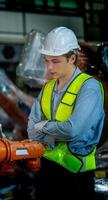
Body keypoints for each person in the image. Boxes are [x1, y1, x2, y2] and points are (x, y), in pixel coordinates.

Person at [27, 26, 105, 200]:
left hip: (76, 173)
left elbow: (73, 130)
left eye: (55, 61)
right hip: (46, 170)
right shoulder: (47, 88)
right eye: (46, 60)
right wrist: (50, 131)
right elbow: (31, 129)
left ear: (72, 58)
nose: (49, 67)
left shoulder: (89, 87)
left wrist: (43, 127)